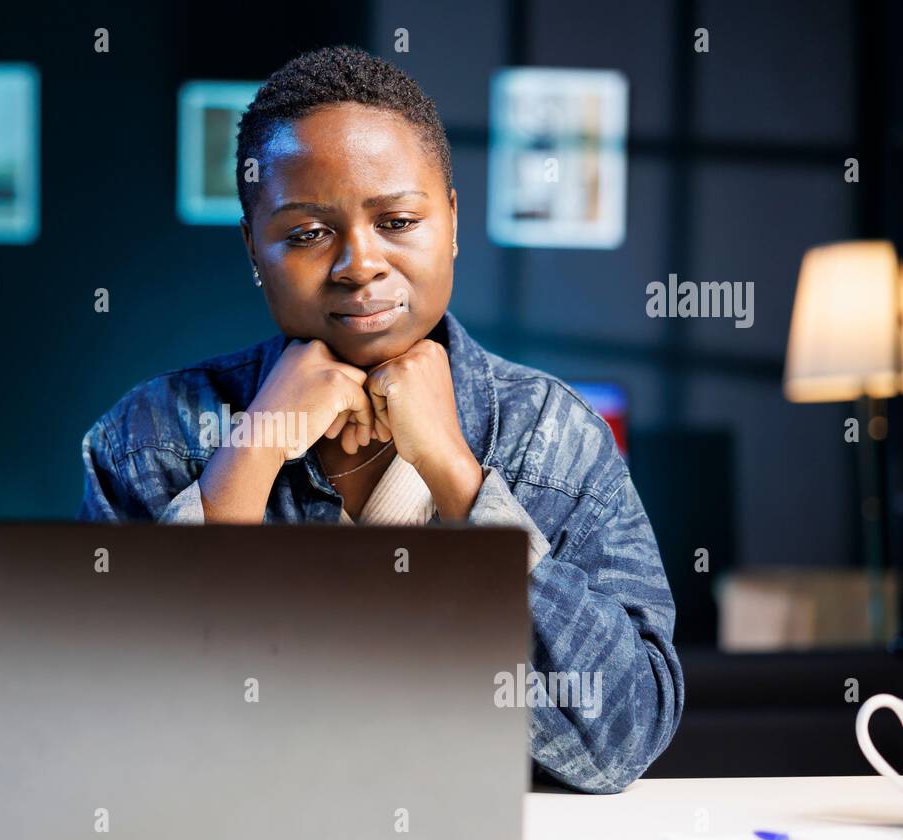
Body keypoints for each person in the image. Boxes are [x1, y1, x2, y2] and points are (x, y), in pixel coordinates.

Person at [80, 45, 682, 794]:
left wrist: (461, 483)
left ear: (452, 224)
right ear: (253, 249)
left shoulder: (557, 437)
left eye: (397, 219)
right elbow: (107, 732)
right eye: (305, 234)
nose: (359, 263)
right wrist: (249, 458)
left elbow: (622, 739)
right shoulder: (147, 437)